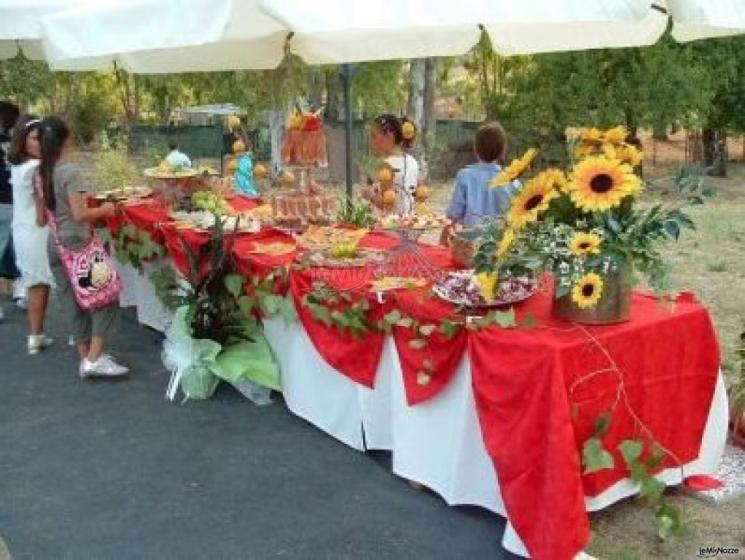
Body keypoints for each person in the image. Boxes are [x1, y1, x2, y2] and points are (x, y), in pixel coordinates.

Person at [36, 116, 128, 378]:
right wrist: (106, 209)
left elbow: (41, 217)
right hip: (77, 242)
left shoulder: (40, 173)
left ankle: (86, 357)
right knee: (106, 295)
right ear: (66, 140)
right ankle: (95, 358)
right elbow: (79, 215)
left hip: (54, 243)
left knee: (71, 300)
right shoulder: (70, 172)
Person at [8, 114, 56, 354]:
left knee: (36, 283)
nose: (41, 144)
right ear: (23, 141)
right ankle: (40, 336)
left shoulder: (18, 166)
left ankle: (36, 335)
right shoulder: (37, 168)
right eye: (36, 139)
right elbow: (42, 213)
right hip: (37, 231)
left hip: (21, 230)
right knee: (43, 283)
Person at [441, 121, 521, 243]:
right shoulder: (513, 181)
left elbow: (453, 214)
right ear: (502, 151)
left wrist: (443, 239)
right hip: (501, 247)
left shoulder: (465, 176)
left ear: (475, 149)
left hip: (470, 247)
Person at [362, 114, 419, 216]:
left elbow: (388, 206)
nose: (371, 141)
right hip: (409, 223)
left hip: (389, 228)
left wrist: (370, 194)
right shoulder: (412, 161)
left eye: (374, 136)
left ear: (389, 135)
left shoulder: (386, 165)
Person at [0, 101, 20, 320]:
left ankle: (19, 287)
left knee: (13, 246)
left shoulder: (12, 143)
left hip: (10, 203)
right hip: (9, 202)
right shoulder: (14, 144)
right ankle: (20, 288)